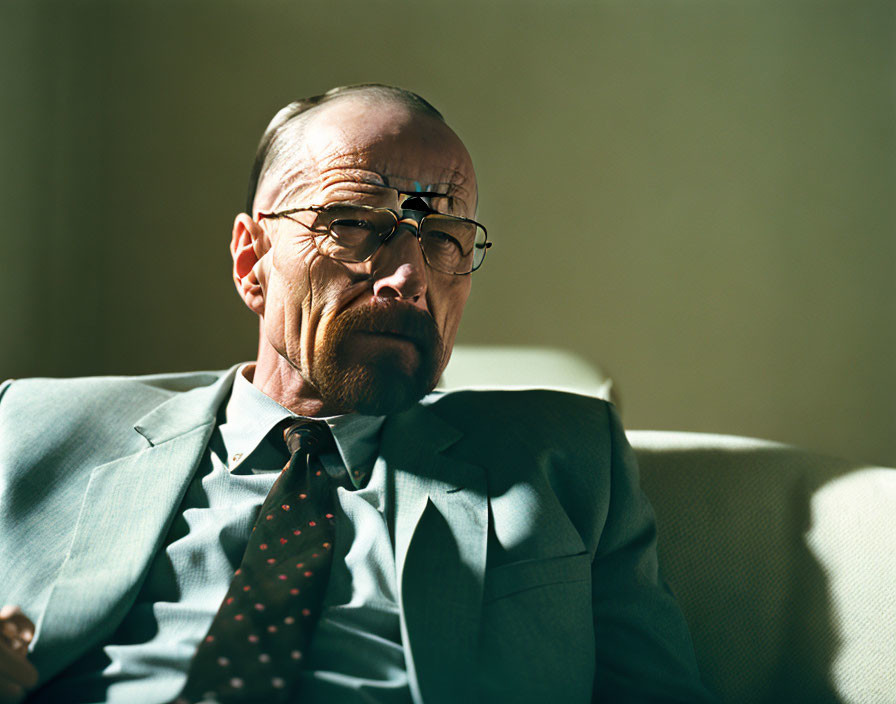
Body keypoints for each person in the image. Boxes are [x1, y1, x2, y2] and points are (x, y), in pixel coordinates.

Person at [0, 84, 714, 703]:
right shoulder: (29, 426)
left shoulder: (566, 460)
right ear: (252, 263)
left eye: (443, 238)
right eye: (354, 224)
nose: (407, 277)